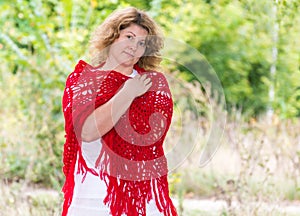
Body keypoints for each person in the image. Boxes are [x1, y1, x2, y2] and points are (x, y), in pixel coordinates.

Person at [62, 7, 178, 216]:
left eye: (141, 43)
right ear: (113, 36)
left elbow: (149, 138)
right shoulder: (82, 80)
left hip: (143, 196)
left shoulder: (154, 85)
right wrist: (128, 93)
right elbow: (87, 132)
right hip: (92, 193)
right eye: (129, 37)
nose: (134, 47)